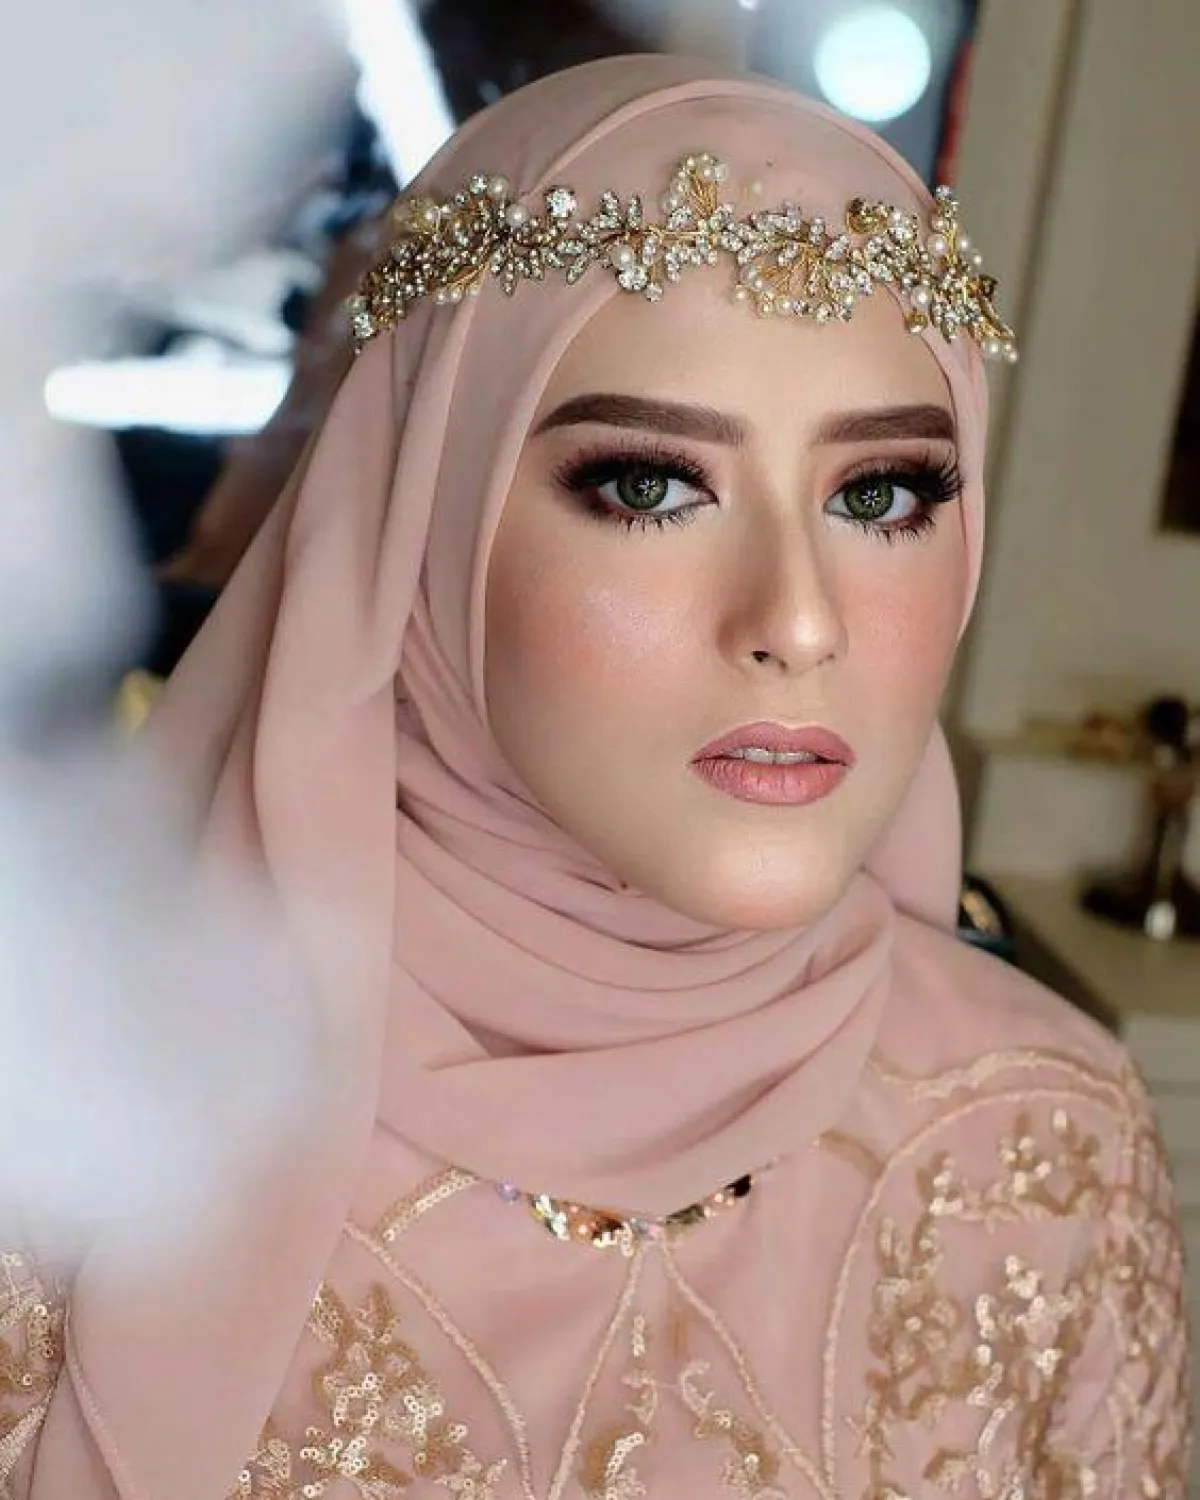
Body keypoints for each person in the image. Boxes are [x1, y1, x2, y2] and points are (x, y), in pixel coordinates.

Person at [6, 55, 1189, 1500]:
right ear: (424, 522)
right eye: (649, 486)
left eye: (880, 495)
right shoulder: (69, 1131)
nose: (798, 622)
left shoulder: (1045, 1130)